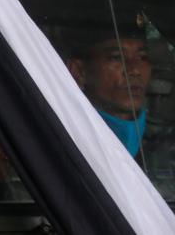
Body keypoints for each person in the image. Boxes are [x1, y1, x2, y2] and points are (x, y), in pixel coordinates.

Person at [67, 22, 174, 198]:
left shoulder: (165, 143)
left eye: (143, 57)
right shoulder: (62, 139)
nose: (134, 70)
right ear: (79, 71)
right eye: (116, 57)